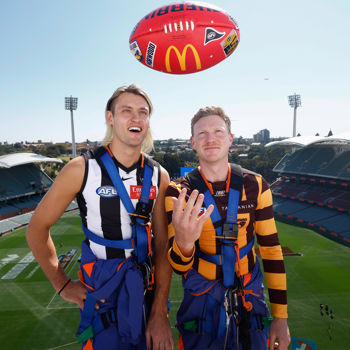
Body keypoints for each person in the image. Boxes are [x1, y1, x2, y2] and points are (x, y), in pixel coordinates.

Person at [26, 84, 174, 350]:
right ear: (110, 117)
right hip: (102, 291)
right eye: (126, 110)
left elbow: (163, 246)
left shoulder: (158, 174)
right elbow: (37, 227)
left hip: (145, 291)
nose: (136, 118)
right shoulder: (81, 168)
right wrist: (62, 285)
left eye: (143, 112)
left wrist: (160, 312)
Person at [165, 106, 290, 350]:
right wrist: (185, 244)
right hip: (201, 302)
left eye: (218, 131)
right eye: (202, 134)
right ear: (192, 142)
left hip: (249, 300)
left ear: (230, 139)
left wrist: (281, 318)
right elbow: (179, 266)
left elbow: (272, 252)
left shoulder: (255, 185)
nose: (210, 138)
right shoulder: (178, 191)